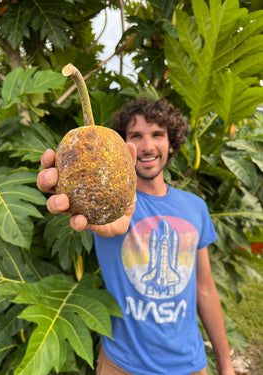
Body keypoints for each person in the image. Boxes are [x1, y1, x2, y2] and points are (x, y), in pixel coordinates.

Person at [37, 98, 235, 375]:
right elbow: (109, 220)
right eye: (136, 136)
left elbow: (204, 288)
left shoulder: (195, 207)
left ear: (171, 142)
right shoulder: (112, 206)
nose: (147, 146)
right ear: (125, 147)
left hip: (189, 364)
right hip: (121, 365)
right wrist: (97, 208)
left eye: (157, 135)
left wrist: (225, 364)